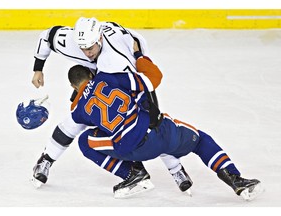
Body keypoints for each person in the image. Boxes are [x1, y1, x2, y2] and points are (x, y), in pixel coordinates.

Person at [67, 50, 262, 200]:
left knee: (85, 141)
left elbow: (82, 119)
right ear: (91, 75)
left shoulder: (77, 108)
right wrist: (139, 55)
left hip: (134, 150)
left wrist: (77, 97)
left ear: (74, 86)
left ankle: (133, 173)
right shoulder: (109, 77)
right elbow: (153, 79)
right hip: (161, 133)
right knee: (201, 140)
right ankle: (235, 179)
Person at [30, 17, 193, 195]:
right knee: (77, 119)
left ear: (99, 38)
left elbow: (144, 82)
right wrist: (38, 68)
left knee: (153, 124)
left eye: (90, 48)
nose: (87, 53)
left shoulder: (115, 60)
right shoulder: (75, 42)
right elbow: (46, 37)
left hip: (133, 77)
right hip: (101, 75)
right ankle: (46, 160)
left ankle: (176, 169)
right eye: (83, 48)